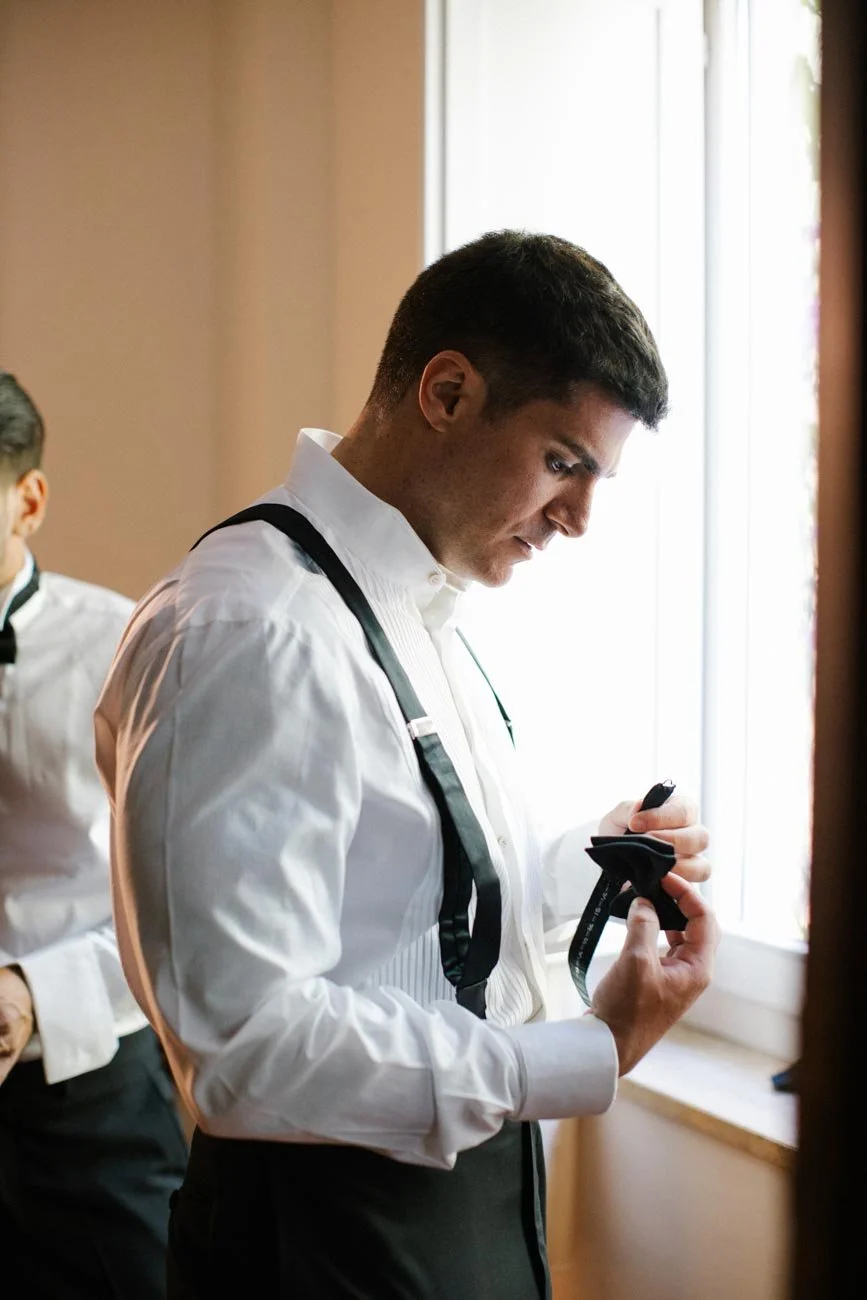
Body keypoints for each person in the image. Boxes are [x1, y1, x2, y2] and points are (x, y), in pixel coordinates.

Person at [93, 230, 719, 1299]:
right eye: (564, 461)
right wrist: (584, 1050)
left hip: (453, 1221)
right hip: (323, 1246)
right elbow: (246, 1042)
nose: (578, 520)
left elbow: (396, 922)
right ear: (446, 391)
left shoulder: (413, 606)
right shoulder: (256, 627)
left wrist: (588, 867)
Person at [0, 371, 189, 1299]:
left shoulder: (127, 643)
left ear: (28, 501)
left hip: (94, 1092)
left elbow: (182, 897)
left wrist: (33, 993)